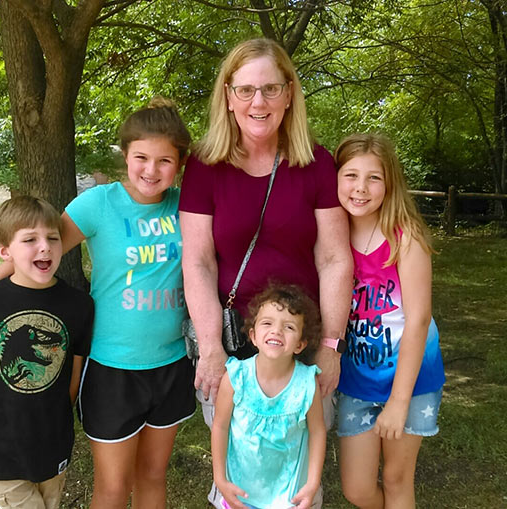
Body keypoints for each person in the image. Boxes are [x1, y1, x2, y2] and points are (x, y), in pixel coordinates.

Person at [0, 98, 196, 508]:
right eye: (141, 157)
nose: (151, 170)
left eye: (164, 161)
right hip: (113, 368)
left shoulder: (187, 206)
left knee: (153, 476)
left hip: (171, 363)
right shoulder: (98, 203)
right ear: (125, 154)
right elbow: (35, 256)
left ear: (181, 163)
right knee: (115, 486)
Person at [178, 38, 353, 507]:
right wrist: (211, 348)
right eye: (247, 90)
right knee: (236, 473)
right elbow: (197, 261)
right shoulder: (204, 165)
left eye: (271, 88)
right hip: (233, 348)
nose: (259, 102)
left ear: (290, 92)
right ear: (229, 95)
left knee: (297, 473)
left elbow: (335, 258)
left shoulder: (316, 163)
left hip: (302, 345)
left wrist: (331, 345)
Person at [0, 196, 94, 509]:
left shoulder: (79, 305)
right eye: (30, 239)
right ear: (5, 252)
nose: (45, 247)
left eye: (53, 238)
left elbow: (74, 370)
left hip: (53, 443)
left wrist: (55, 415)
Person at [334, 133, 445, 508]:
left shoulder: (405, 237)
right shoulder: (332, 237)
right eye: (350, 176)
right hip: (357, 380)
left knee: (397, 479)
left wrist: (399, 401)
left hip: (411, 380)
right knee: (358, 489)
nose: (360, 188)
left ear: (390, 183)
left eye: (373, 178)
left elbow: (418, 320)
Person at [212, 284, 326, 509]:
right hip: (239, 493)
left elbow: (317, 431)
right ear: (253, 336)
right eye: (267, 323)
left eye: (289, 327)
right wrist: (220, 479)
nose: (276, 331)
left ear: (300, 344)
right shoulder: (235, 378)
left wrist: (312, 484)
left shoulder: (306, 383)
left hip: (288, 496)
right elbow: (220, 427)